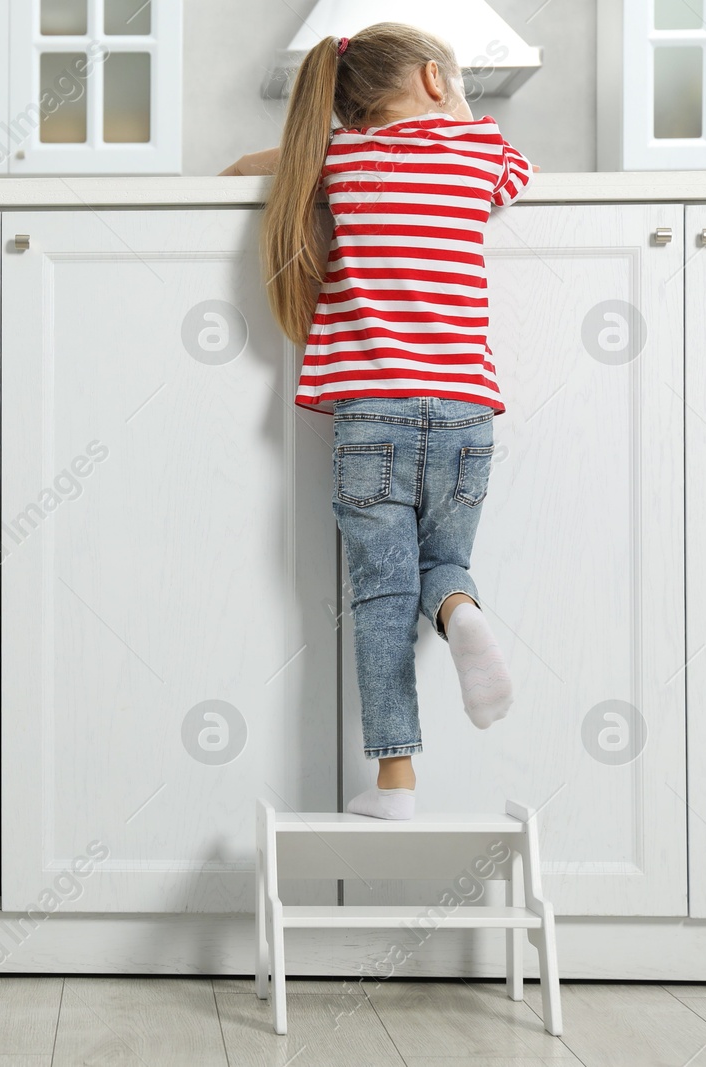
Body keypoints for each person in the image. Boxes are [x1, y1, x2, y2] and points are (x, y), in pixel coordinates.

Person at [227, 23, 533, 820]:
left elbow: (240, 172)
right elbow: (517, 176)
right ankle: (462, 613)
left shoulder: (333, 163)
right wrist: (460, 113)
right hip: (467, 409)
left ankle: (395, 780)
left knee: (380, 594)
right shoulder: (482, 151)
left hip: (370, 417)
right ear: (435, 81)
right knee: (444, 564)